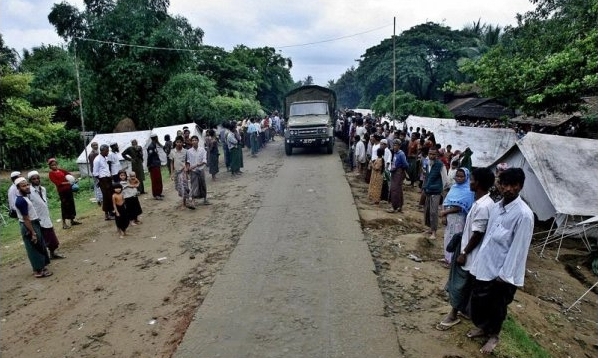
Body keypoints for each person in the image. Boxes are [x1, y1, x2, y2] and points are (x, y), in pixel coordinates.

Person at [467, 168, 534, 354]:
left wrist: (504, 275)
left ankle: (494, 336)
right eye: (505, 185)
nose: (509, 189)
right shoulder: (497, 207)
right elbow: (488, 237)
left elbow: (518, 249)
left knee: (497, 307)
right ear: (500, 185)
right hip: (486, 264)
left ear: (520, 186)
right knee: (481, 302)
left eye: (514, 185)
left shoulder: (524, 215)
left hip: (503, 272)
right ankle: (483, 329)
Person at [437, 167, 495, 331]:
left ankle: (453, 314)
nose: (470, 182)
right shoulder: (482, 202)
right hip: (468, 250)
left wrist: (464, 253)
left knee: (459, 284)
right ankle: (465, 311)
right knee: (468, 284)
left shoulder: (483, 206)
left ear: (479, 183)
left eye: (472, 180)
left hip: (470, 253)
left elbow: (477, 233)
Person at [13, 177, 52, 278]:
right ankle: (38, 270)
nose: (26, 187)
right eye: (23, 186)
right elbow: (26, 218)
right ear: (18, 188)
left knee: (39, 245)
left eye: (27, 185)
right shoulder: (20, 201)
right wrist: (33, 232)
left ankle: (41, 267)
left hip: (33, 223)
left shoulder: (25, 197)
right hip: (29, 226)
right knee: (33, 248)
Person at [439, 168, 474, 265]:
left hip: (458, 218)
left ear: (466, 177)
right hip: (448, 216)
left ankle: (453, 260)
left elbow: (460, 208)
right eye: (457, 176)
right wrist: (444, 216)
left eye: (461, 176)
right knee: (447, 237)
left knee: (455, 238)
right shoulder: (454, 187)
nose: (458, 178)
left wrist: (445, 212)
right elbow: (446, 202)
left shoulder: (468, 191)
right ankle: (447, 257)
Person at [27, 171, 65, 259]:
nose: (36, 180)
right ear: (30, 180)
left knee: (52, 239)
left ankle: (53, 253)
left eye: (37, 178)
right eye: (33, 179)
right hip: (36, 218)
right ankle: (44, 257)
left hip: (45, 216)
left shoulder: (43, 189)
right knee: (42, 239)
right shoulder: (29, 191)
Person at [47, 158, 81, 229]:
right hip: (62, 191)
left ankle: (72, 220)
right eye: (52, 165)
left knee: (71, 204)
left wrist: (73, 179)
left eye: (55, 164)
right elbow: (58, 183)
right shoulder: (51, 174)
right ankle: (64, 223)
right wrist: (68, 182)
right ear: (50, 166)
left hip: (69, 190)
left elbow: (69, 175)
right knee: (64, 206)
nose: (54, 166)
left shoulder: (62, 171)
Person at [423, 148, 445, 240]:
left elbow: (445, 179)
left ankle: (434, 232)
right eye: (430, 154)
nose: (431, 156)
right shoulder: (428, 163)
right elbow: (426, 176)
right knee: (427, 210)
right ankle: (430, 228)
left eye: (433, 154)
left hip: (436, 191)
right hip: (428, 190)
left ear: (436, 155)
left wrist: (441, 190)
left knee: (433, 211)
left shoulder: (440, 165)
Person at [186, 135, 210, 207]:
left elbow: (204, 160)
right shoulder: (189, 151)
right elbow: (188, 161)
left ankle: (205, 199)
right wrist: (188, 168)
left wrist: (197, 165)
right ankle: (193, 201)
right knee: (194, 185)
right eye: (192, 140)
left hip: (201, 169)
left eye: (195, 140)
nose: (194, 142)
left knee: (203, 184)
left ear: (198, 141)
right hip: (193, 171)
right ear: (191, 142)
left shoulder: (202, 150)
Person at [93, 144, 115, 220]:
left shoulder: (105, 158)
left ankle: (111, 212)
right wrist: (101, 181)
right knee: (106, 197)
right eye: (107, 151)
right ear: (102, 151)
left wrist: (109, 175)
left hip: (108, 178)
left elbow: (105, 169)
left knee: (110, 195)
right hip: (103, 180)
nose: (108, 152)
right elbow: (95, 173)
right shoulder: (97, 159)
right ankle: (107, 214)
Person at [170, 136, 191, 209]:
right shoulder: (172, 151)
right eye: (177, 142)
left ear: (183, 143)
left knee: (183, 186)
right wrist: (172, 173)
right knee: (178, 187)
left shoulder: (185, 151)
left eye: (180, 142)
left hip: (183, 171)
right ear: (175, 143)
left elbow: (188, 162)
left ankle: (184, 203)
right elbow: (172, 163)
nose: (179, 143)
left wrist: (187, 168)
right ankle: (186, 197)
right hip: (176, 172)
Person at [387, 140, 409, 213]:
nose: (394, 147)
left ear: (399, 146)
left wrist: (400, 168)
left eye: (396, 145)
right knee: (397, 190)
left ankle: (394, 207)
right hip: (394, 172)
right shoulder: (396, 153)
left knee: (395, 190)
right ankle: (399, 206)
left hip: (398, 173)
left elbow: (405, 164)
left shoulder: (401, 154)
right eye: (393, 145)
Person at [147, 133, 164, 200]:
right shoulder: (151, 146)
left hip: (156, 164)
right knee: (155, 180)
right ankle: (156, 194)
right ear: (156, 138)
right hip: (153, 166)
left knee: (159, 179)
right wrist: (148, 166)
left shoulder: (154, 145)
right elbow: (149, 157)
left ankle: (159, 193)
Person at [88, 142, 103, 206]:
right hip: (96, 172)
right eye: (94, 145)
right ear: (91, 146)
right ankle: (99, 199)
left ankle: (100, 199)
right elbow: (95, 164)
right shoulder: (93, 154)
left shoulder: (97, 152)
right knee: (98, 185)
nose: (95, 146)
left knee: (98, 185)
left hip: (97, 171)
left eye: (96, 145)